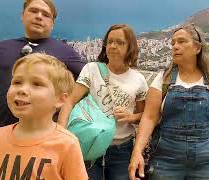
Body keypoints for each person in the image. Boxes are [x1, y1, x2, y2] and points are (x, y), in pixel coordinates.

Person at [129, 24, 209, 180]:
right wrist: (137, 152)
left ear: (197, 48)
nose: (175, 46)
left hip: (207, 163)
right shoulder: (163, 80)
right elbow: (149, 118)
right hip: (166, 161)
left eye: (181, 41)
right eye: (173, 43)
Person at [58, 24, 148, 180]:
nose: (113, 46)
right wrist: (60, 136)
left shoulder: (138, 80)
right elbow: (69, 102)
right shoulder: (92, 69)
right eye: (110, 41)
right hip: (89, 144)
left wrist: (130, 117)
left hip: (121, 149)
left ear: (130, 47)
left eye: (119, 42)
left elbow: (145, 116)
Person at [0, 53, 88, 180]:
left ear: (60, 99)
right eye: (17, 82)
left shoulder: (67, 144)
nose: (22, 89)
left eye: (36, 84)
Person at [0, 0, 86, 127]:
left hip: (46, 132)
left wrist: (65, 109)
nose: (39, 16)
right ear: (22, 16)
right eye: (33, 11)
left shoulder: (65, 50)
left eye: (46, 15)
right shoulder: (2, 48)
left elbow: (88, 79)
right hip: (3, 129)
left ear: (52, 23)